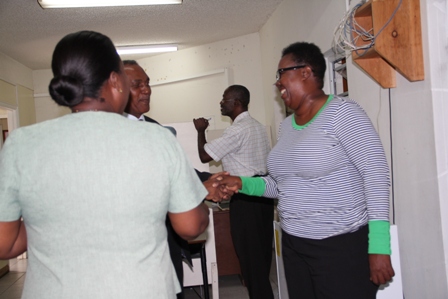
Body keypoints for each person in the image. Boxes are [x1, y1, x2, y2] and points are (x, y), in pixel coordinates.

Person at [0, 31, 213, 299]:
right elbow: (191, 226)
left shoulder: (21, 144)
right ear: (115, 81)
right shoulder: (158, 138)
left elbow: (5, 243)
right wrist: (200, 204)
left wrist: (53, 225)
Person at [218, 42, 395, 299]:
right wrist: (241, 183)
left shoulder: (343, 114)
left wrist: (379, 245)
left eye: (281, 73)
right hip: (295, 246)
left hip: (340, 247)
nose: (278, 83)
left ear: (306, 72)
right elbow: (283, 186)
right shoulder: (287, 126)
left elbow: (376, 175)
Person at [193, 85, 274, 299]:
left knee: (249, 256)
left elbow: (204, 155)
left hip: (246, 196)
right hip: (264, 195)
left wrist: (200, 130)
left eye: (225, 99)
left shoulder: (237, 130)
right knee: (262, 255)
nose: (221, 103)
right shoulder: (256, 126)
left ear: (237, 103)